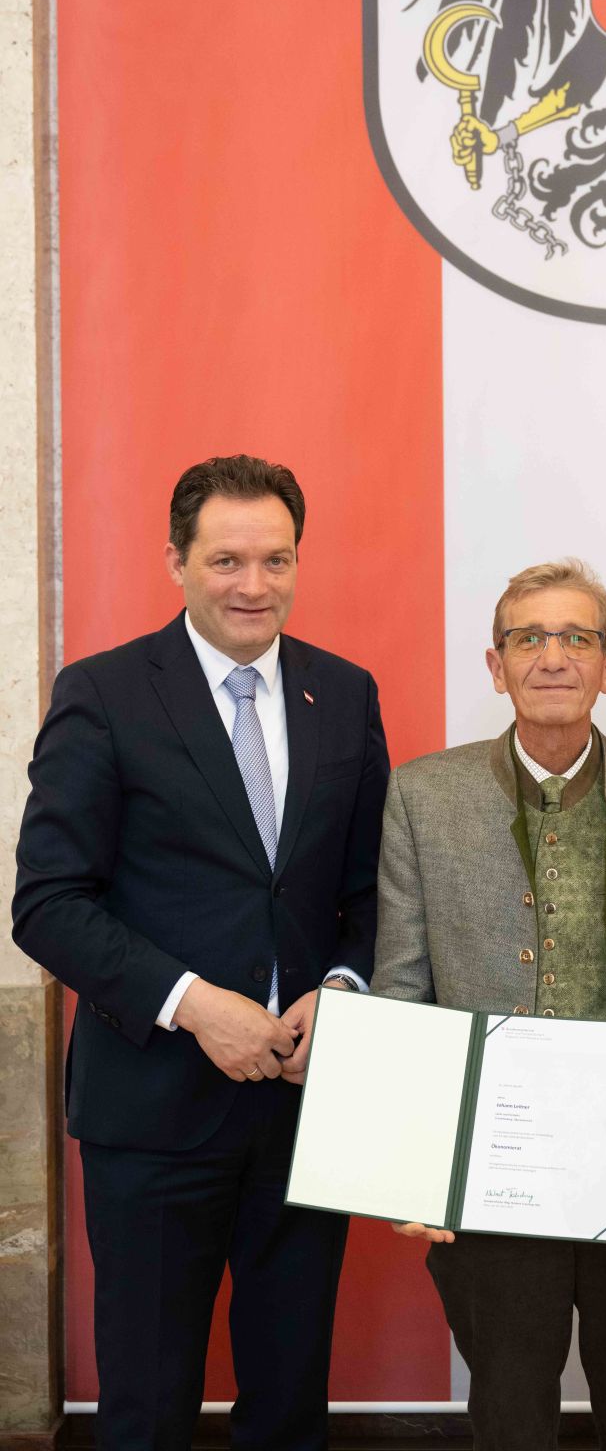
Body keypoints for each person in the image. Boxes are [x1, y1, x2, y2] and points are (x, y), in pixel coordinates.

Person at [11, 454, 389, 1451]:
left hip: (306, 1108)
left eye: (275, 559)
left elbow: (371, 894)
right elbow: (48, 903)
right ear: (176, 561)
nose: (252, 584)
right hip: (152, 1109)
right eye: (226, 559)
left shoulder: (344, 693)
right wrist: (193, 1003)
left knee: (290, 1406)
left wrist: (343, 987)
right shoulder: (102, 693)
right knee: (145, 1408)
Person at [373, 558, 606, 1451]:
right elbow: (403, 987)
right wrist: (412, 1166)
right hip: (490, 1175)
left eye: (577, 637)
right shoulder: (422, 796)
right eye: (527, 637)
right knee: (508, 1415)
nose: (552, 656)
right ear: (494, 666)